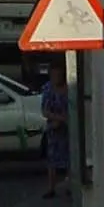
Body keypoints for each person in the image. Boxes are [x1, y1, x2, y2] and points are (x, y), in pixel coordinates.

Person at [40, 61, 70, 198]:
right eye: (54, 74)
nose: (56, 77)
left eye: (59, 74)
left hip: (68, 129)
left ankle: (70, 185)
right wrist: (58, 118)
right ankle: (51, 187)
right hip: (54, 128)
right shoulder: (48, 89)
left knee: (70, 157)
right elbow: (44, 111)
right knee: (52, 159)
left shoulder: (69, 89)